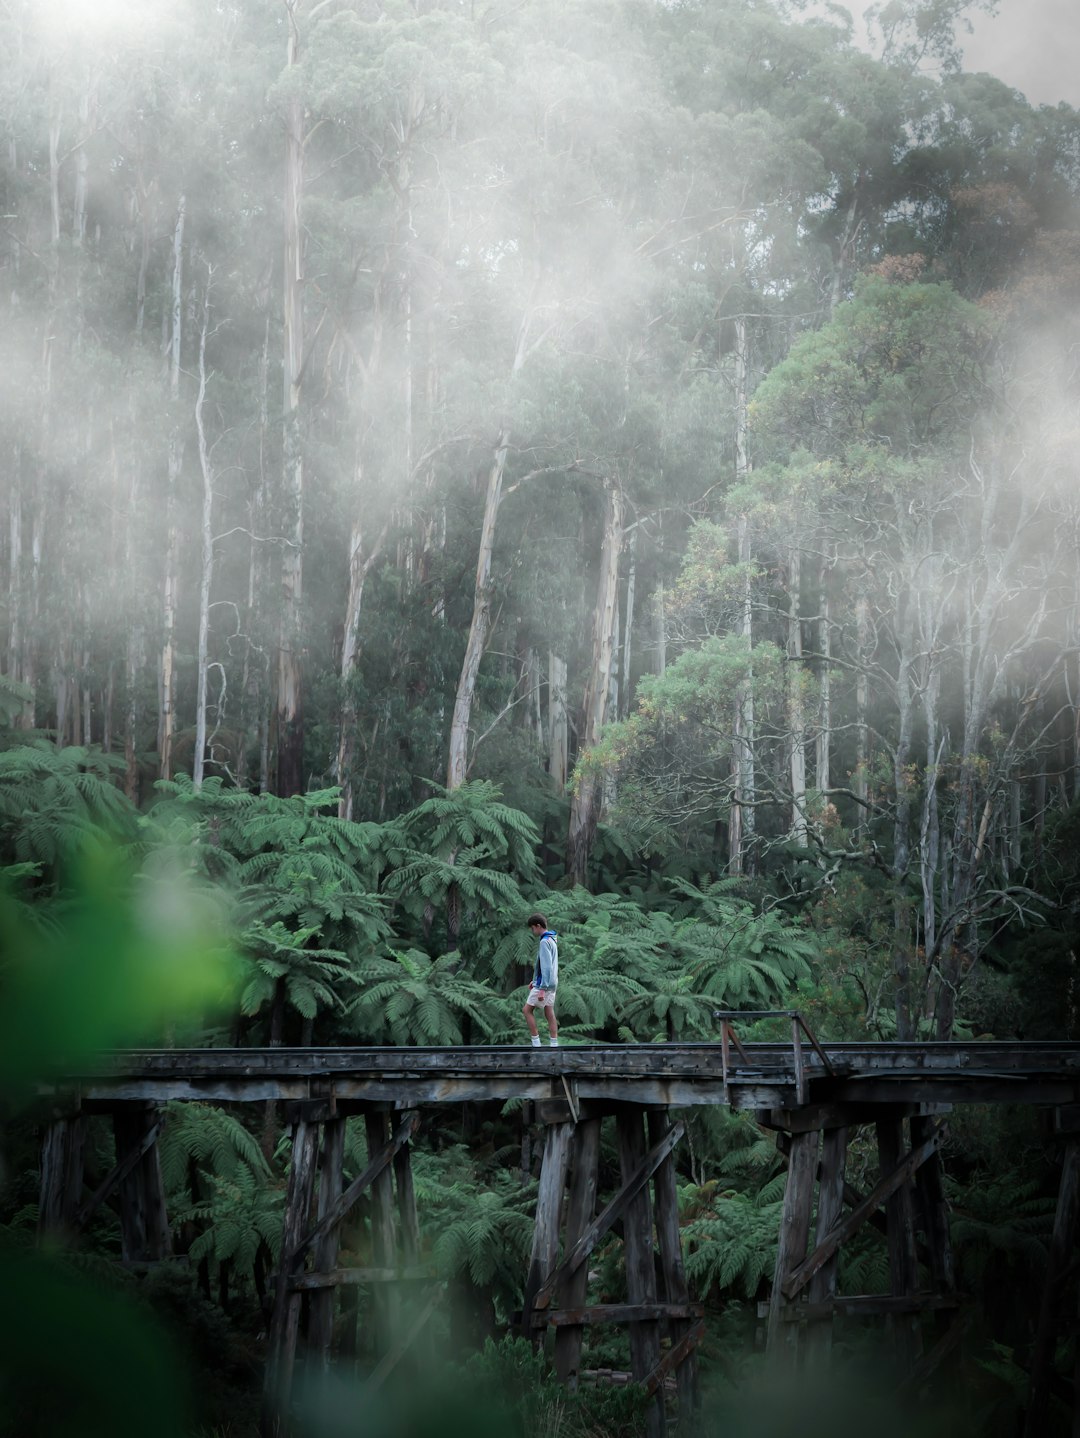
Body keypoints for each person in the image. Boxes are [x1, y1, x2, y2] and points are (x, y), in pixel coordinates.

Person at [523, 913, 558, 1047]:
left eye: (532, 928)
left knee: (527, 1010)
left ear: (538, 926)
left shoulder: (544, 942)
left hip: (545, 984)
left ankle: (536, 1043)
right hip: (552, 982)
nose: (533, 931)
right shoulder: (552, 939)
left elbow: (547, 966)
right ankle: (554, 1044)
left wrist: (542, 988)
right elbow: (548, 966)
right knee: (549, 1011)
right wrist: (535, 980)